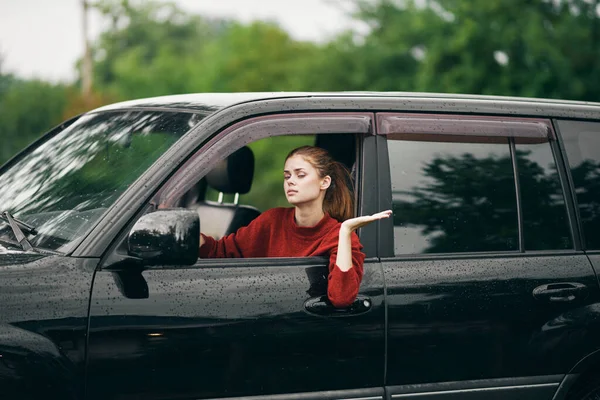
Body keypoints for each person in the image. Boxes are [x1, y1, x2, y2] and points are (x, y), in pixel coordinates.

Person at [198, 145, 392, 307]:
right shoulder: (272, 221)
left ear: (324, 182)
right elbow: (219, 251)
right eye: (287, 176)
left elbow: (341, 298)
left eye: (300, 175)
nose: (290, 181)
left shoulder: (338, 236)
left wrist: (345, 231)